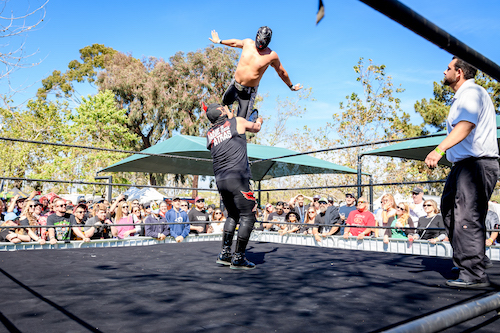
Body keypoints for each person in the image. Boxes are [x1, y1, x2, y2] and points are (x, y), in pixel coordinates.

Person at [425, 56, 499, 288]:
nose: (443, 71)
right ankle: (473, 259)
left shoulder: (471, 92)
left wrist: (439, 149)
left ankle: (474, 274)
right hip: (464, 165)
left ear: (459, 73)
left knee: (466, 216)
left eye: (448, 68)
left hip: (476, 164)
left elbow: (466, 125)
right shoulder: (463, 96)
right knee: (448, 210)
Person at [206, 103, 262, 269]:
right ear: (222, 111)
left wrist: (230, 116)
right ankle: (238, 257)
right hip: (238, 177)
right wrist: (259, 119)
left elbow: (226, 131)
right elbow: (256, 128)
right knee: (248, 215)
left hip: (221, 180)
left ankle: (225, 253)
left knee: (232, 215)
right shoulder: (237, 121)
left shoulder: (209, 134)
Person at [209, 27, 302, 120]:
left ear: (268, 40)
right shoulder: (248, 43)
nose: (260, 41)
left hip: (248, 93)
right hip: (235, 85)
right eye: (259, 37)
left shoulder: (271, 55)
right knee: (222, 107)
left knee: (241, 123)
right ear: (256, 36)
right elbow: (234, 43)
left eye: (264, 39)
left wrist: (291, 86)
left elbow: (281, 72)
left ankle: (251, 118)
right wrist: (219, 41)